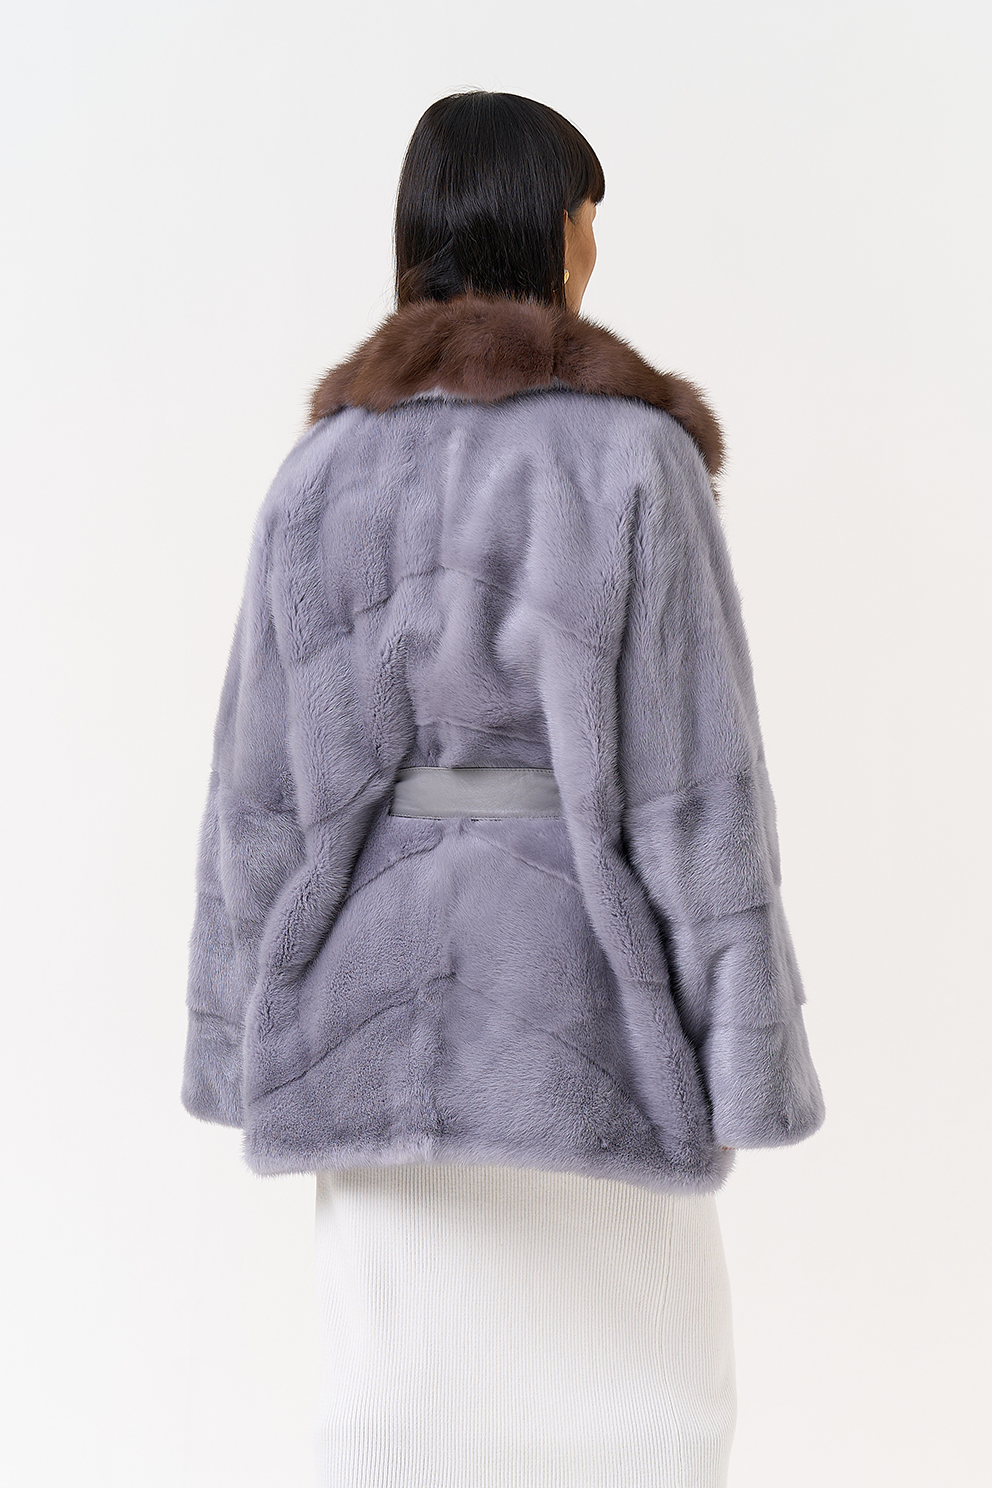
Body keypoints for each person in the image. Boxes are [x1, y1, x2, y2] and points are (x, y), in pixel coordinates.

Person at [181, 89, 826, 1488]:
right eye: (589, 216)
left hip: (366, 1020)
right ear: (553, 230)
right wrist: (746, 1062)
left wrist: (234, 1038)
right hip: (585, 1011)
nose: (595, 248)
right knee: (644, 1419)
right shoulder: (635, 461)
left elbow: (257, 798)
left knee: (395, 1425)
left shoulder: (319, 471)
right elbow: (694, 790)